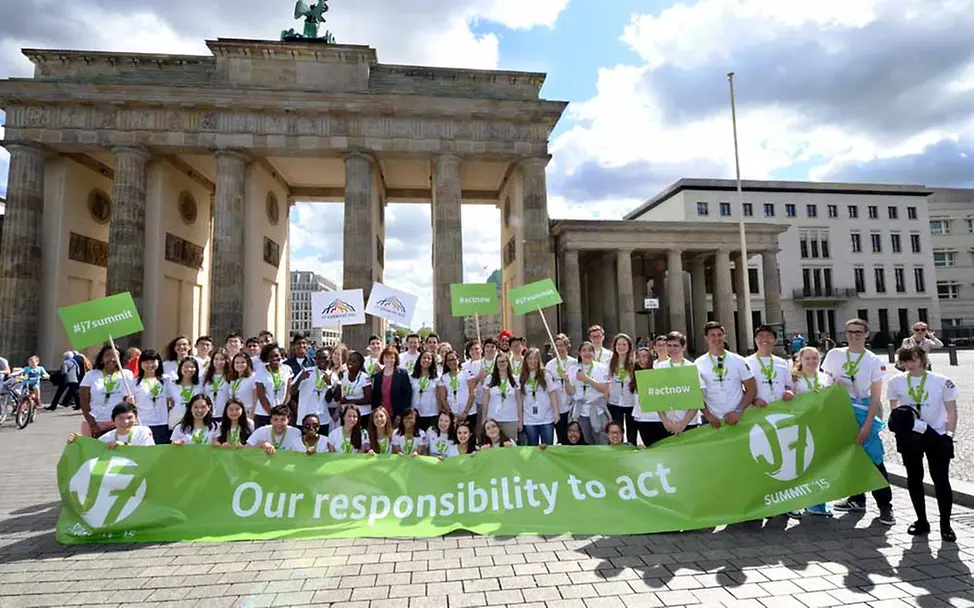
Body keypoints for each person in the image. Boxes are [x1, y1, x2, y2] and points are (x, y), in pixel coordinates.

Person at [821, 318, 894, 526]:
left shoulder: (872, 361)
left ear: (866, 334)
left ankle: (885, 507)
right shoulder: (834, 355)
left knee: (874, 460)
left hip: (862, 413)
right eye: (850, 331)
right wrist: (833, 387)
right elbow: (824, 384)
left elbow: (875, 397)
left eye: (858, 332)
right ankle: (856, 499)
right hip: (840, 413)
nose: (854, 335)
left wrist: (868, 425)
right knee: (848, 458)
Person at [888, 346, 958, 542]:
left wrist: (949, 434)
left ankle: (946, 525)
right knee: (914, 478)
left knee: (941, 480)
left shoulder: (941, 381)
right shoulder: (896, 382)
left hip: (937, 434)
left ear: (922, 359)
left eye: (913, 359)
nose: (909, 364)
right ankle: (922, 521)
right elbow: (895, 410)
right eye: (905, 360)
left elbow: (951, 410)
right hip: (911, 437)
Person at [791, 346, 833, 517]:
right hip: (800, 426)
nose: (811, 361)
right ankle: (796, 501)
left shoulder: (825, 378)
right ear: (800, 360)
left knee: (819, 463)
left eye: (815, 358)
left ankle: (818, 502)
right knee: (800, 464)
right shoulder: (794, 379)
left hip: (820, 426)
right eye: (807, 358)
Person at [695, 322, 756, 430]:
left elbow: (751, 390)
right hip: (712, 420)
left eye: (719, 335)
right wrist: (709, 416)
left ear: (724, 336)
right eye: (712, 335)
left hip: (739, 417)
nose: (716, 338)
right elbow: (696, 395)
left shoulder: (738, 360)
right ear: (706, 338)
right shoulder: (698, 363)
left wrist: (738, 411)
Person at [79, 344, 136, 438]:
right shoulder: (91, 375)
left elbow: (129, 397)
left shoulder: (127, 375)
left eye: (115, 356)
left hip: (119, 423)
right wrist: (92, 425)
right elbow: (84, 401)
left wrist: (129, 400)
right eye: (108, 355)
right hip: (96, 422)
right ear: (102, 358)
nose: (112, 358)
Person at [567, 341, 611, 445]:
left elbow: (605, 389)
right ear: (579, 353)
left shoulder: (602, 368)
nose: (587, 353)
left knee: (601, 441)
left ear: (594, 353)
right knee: (586, 442)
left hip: (597, 411)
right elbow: (571, 391)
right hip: (581, 412)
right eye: (584, 350)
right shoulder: (573, 369)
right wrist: (566, 380)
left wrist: (586, 379)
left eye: (590, 350)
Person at [745, 326, 796, 408]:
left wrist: (788, 392)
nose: (765, 339)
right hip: (757, 410)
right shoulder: (746, 362)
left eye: (769, 336)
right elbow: (741, 389)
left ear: (775, 341)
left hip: (780, 408)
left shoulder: (782, 362)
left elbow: (788, 385)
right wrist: (754, 401)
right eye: (760, 336)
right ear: (755, 340)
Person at [519, 348, 559, 446]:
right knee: (532, 448)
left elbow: (552, 394)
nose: (532, 361)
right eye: (530, 358)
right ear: (525, 360)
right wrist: (520, 419)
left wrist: (556, 412)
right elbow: (519, 399)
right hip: (529, 419)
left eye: (535, 358)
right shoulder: (521, 377)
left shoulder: (545, 374)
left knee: (548, 447)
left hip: (546, 418)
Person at [67, 403, 154, 447]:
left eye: (129, 417)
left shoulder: (144, 431)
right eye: (121, 418)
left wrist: (124, 446)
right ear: (113, 420)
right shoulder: (105, 438)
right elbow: (91, 453)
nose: (126, 422)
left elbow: (148, 453)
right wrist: (78, 442)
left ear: (136, 418)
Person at [290, 348, 335, 431]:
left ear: (330, 358)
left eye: (325, 358)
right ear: (315, 359)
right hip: (304, 416)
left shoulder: (333, 376)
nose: (322, 360)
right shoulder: (307, 371)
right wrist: (300, 379)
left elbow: (329, 400)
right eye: (319, 358)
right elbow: (292, 392)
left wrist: (329, 384)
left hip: (322, 419)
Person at [133, 349, 171, 445]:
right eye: (146, 362)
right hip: (142, 423)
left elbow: (170, 399)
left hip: (161, 422)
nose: (150, 365)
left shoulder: (166, 380)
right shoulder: (134, 382)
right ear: (141, 363)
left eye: (153, 361)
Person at [545, 333, 577, 445]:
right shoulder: (549, 365)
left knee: (573, 435)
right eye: (557, 346)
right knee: (561, 437)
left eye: (562, 345)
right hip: (557, 406)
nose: (559, 348)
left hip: (571, 406)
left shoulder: (574, 363)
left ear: (567, 346)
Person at [482, 352, 520, 442]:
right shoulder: (489, 379)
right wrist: (484, 417)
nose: (502, 364)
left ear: (508, 363)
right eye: (499, 362)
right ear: (496, 364)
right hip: (494, 419)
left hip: (511, 418)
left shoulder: (515, 379)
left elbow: (519, 401)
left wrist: (520, 420)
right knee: (494, 445)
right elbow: (485, 401)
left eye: (504, 361)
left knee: (510, 445)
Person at [607, 334, 637, 445]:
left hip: (631, 402)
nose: (621, 347)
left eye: (624, 344)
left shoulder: (635, 363)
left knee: (632, 433)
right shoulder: (610, 362)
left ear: (629, 346)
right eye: (618, 344)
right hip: (614, 402)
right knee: (616, 432)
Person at [255, 343, 293, 429]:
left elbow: (288, 392)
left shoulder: (287, 369)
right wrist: (272, 414)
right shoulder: (261, 371)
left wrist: (282, 410)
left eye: (276, 355)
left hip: (282, 414)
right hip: (264, 413)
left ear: (281, 355)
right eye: (270, 357)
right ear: (266, 358)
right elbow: (261, 396)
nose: (274, 359)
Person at [371, 346, 412, 421]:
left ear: (395, 359)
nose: (389, 360)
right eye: (386, 357)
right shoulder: (378, 376)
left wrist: (401, 415)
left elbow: (407, 396)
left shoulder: (402, 374)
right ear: (382, 358)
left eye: (392, 357)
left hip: (397, 415)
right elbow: (375, 398)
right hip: (382, 416)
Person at [439, 350, 476, 428]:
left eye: (454, 359)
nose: (451, 362)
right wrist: (451, 414)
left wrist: (465, 412)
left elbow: (472, 393)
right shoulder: (443, 378)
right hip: (453, 414)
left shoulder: (467, 373)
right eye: (449, 360)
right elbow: (443, 398)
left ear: (458, 360)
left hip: (469, 412)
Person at [339, 351, 373, 429]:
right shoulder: (343, 375)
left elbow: (368, 399)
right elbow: (338, 397)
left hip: (363, 414)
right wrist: (339, 381)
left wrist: (348, 401)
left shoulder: (364, 378)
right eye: (349, 360)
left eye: (354, 361)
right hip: (346, 414)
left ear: (360, 365)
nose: (350, 363)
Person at [166, 357, 202, 430]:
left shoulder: (200, 385)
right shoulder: (172, 384)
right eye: (186, 366)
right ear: (180, 368)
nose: (189, 369)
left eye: (192, 367)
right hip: (175, 422)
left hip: (194, 423)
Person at [410, 351, 441, 430]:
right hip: (416, 413)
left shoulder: (438, 376)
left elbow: (440, 395)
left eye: (429, 358)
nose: (426, 360)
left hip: (432, 413)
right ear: (419, 359)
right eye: (424, 358)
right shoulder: (411, 376)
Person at [227, 352, 259, 421]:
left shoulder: (253, 377)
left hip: (247, 412)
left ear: (248, 364)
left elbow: (255, 399)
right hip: (234, 412)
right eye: (237, 362)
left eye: (243, 362)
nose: (239, 365)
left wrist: (252, 416)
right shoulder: (233, 379)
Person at [203, 348, 231, 422]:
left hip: (225, 415)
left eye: (222, 359)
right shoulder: (206, 376)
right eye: (216, 359)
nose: (219, 362)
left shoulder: (230, 376)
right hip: (208, 414)